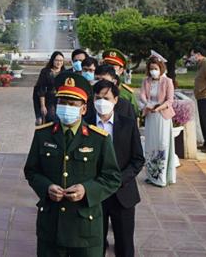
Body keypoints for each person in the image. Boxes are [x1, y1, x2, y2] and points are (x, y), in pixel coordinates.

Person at [24, 77, 121, 256]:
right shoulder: (43, 135)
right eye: (62, 102)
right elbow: (31, 170)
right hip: (51, 226)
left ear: (83, 108)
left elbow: (112, 177)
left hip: (85, 229)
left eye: (72, 103)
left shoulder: (98, 138)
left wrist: (86, 190)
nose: (66, 107)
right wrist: (46, 187)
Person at [85, 80, 144, 257]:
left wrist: (118, 180)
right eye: (98, 97)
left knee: (125, 245)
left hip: (123, 194)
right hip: (95, 194)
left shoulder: (127, 124)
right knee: (94, 244)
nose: (101, 102)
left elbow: (138, 159)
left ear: (116, 100)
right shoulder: (85, 124)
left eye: (106, 98)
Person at [139, 57, 176, 187]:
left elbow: (170, 100)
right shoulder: (146, 81)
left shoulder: (167, 81)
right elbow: (142, 95)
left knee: (162, 144)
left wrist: (158, 108)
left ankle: (161, 178)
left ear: (161, 69)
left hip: (162, 116)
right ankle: (151, 175)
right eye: (151, 69)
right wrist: (148, 104)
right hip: (150, 115)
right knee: (150, 144)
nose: (153, 71)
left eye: (156, 68)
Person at [102, 49, 138, 119]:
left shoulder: (127, 94)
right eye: (107, 65)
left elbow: (135, 115)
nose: (110, 68)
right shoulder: (94, 89)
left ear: (121, 70)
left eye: (113, 66)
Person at [34, 51, 65, 124]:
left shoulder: (65, 72)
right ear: (52, 60)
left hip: (61, 100)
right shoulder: (45, 72)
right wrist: (42, 106)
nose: (59, 62)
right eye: (57, 60)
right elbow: (42, 89)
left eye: (61, 60)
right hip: (49, 100)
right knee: (50, 119)